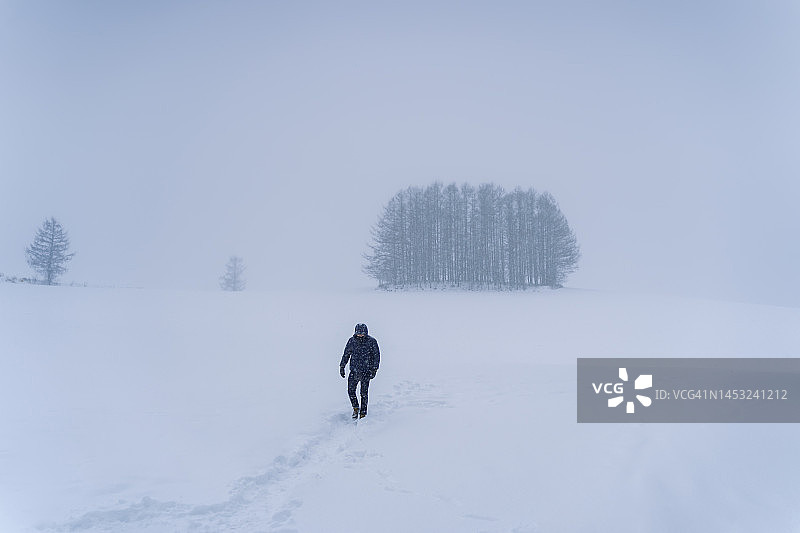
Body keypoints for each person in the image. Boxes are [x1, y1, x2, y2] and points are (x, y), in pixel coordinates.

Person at [340, 323, 380, 419]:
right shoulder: (352, 341)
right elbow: (346, 354)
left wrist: (374, 369)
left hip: (366, 372)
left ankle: (363, 412)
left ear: (366, 332)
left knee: (364, 393)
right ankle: (355, 407)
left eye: (362, 333)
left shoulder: (372, 341)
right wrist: (342, 366)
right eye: (358, 333)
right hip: (354, 371)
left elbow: (376, 356)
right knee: (351, 391)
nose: (360, 335)